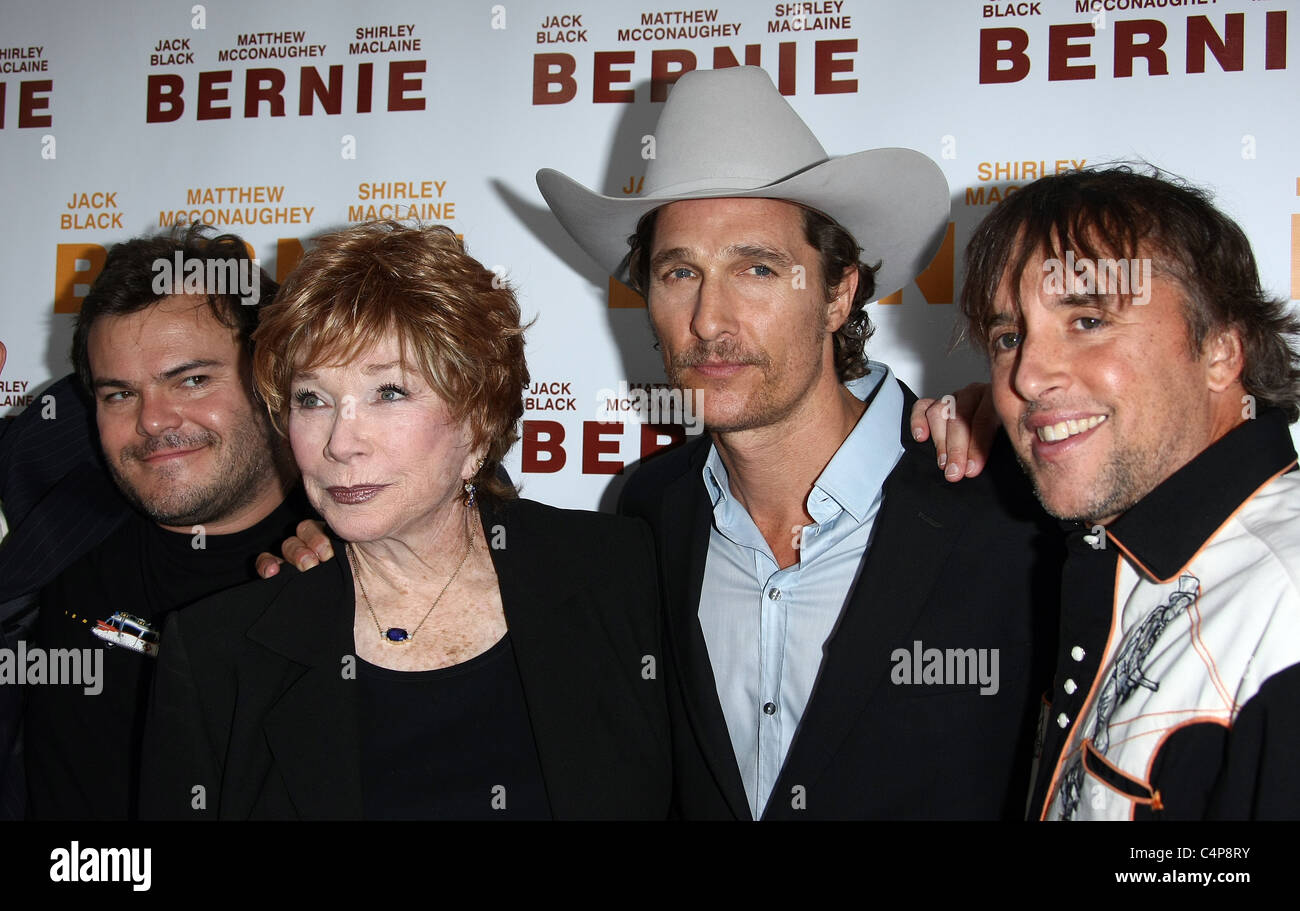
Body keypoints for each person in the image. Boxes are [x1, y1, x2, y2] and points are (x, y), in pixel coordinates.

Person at [535, 65, 1060, 819]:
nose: (710, 319)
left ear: (840, 291)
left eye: (757, 267)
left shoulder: (1006, 503)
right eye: (679, 271)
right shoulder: (651, 511)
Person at [140, 221, 670, 820]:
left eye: (388, 393)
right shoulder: (219, 652)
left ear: (476, 420)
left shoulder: (621, 573)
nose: (340, 442)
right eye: (311, 398)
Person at [953, 166, 1300, 819]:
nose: (1027, 375)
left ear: (1222, 350)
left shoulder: (1286, 595)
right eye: (1007, 338)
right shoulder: (1108, 555)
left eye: (1087, 320)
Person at [9, 224, 306, 820]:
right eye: (119, 394)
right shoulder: (48, 543)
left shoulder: (347, 568)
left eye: (192, 380)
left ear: (273, 380)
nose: (152, 420)